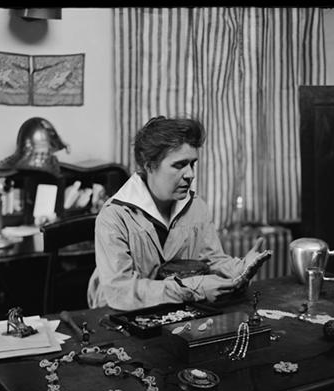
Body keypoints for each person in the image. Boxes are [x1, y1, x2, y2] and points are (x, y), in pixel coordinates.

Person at [87, 116, 269, 311]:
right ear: (149, 165)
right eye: (179, 165)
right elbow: (120, 292)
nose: (190, 174)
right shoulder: (114, 216)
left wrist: (241, 268)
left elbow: (211, 260)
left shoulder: (196, 206)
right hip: (114, 314)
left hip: (175, 313)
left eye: (192, 164)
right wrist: (192, 288)